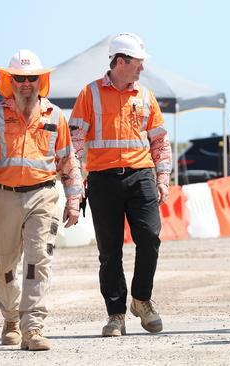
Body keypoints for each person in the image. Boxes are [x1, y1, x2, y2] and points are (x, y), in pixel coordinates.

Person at [0, 50, 82, 351]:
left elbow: (68, 161)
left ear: (40, 80)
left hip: (43, 195)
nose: (27, 83)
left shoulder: (56, 116)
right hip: (3, 197)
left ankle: (33, 327)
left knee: (37, 261)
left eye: (32, 78)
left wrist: (73, 199)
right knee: (3, 265)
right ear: (10, 81)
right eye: (20, 78)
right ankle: (10, 320)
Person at [69, 32, 172, 337]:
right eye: (138, 63)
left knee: (150, 238)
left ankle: (141, 300)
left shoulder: (145, 96)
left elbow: (160, 142)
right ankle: (116, 315)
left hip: (141, 176)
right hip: (102, 180)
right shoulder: (89, 95)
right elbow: (74, 144)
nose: (142, 69)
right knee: (110, 251)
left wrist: (162, 178)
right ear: (121, 62)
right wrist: (75, 188)